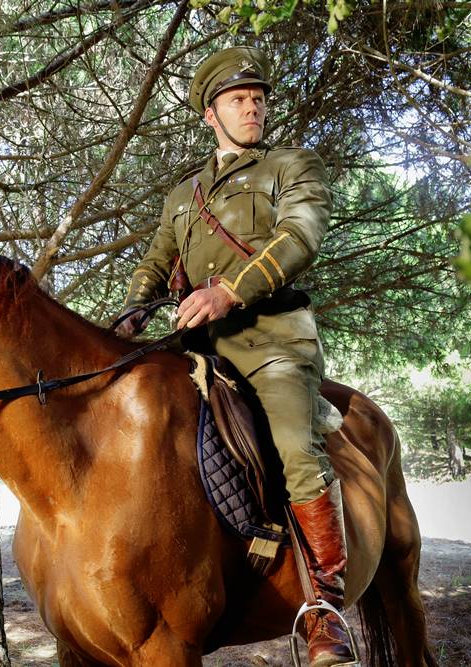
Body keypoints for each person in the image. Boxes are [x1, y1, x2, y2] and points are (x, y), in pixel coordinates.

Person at [115, 47, 355, 667]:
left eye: (258, 98)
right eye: (237, 100)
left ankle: (324, 607)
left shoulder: (292, 165)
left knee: (296, 448)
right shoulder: (183, 194)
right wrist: (134, 308)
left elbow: (300, 236)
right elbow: (154, 261)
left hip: (273, 340)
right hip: (198, 348)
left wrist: (229, 291)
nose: (253, 108)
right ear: (209, 114)